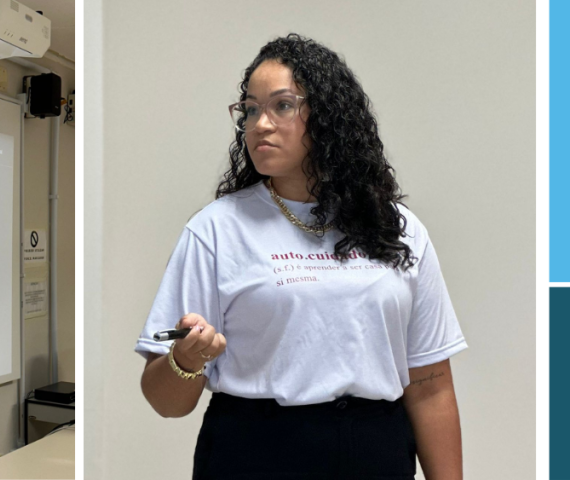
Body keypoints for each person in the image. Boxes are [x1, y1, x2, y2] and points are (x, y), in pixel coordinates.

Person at [135, 33, 468, 480]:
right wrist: (186, 360)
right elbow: (164, 401)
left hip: (376, 453)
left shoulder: (398, 228)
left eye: (282, 105)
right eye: (250, 109)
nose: (260, 124)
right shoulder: (216, 229)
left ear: (329, 116)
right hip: (254, 454)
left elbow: (429, 384)